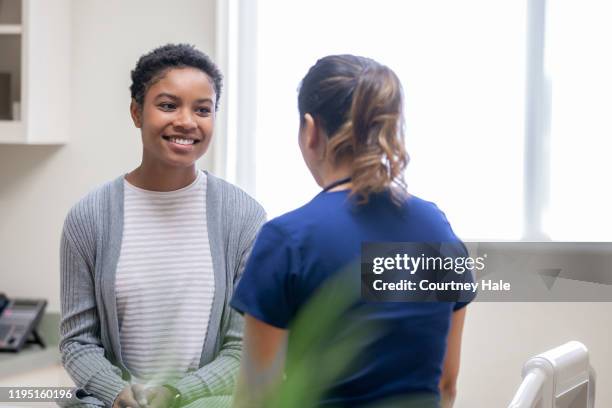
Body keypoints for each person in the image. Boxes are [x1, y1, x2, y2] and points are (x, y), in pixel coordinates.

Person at [230, 55, 474, 407]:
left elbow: (256, 399)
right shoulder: (437, 227)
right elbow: (447, 384)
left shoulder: (287, 240)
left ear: (310, 130)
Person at [59, 44, 265, 408]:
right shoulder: (88, 217)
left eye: (203, 109)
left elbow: (241, 346)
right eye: (168, 105)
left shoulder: (244, 217)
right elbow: (77, 342)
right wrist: (119, 393)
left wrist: (176, 394)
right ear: (137, 113)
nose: (187, 121)